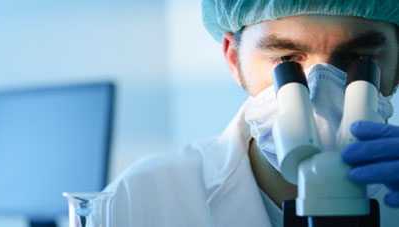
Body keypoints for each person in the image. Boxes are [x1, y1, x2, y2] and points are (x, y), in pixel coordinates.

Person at [105, 1, 399, 226]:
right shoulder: (139, 198)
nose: (319, 90)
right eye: (286, 60)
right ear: (233, 59)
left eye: (360, 59)